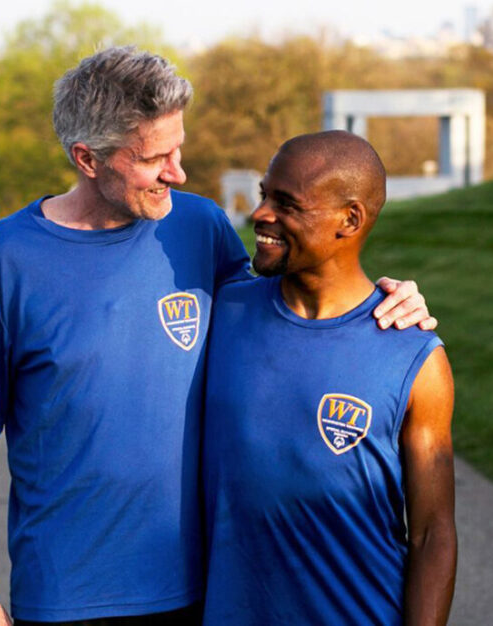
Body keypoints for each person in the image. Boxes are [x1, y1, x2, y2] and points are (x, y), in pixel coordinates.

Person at [0, 46, 435, 626]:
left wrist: (388, 300)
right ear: (87, 158)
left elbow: (279, 310)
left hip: (203, 591)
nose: (178, 173)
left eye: (178, 149)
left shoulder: (200, 226)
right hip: (65, 595)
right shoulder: (5, 257)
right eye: (157, 158)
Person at [202, 131, 456, 625]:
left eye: (286, 203)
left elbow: (433, 534)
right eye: (263, 195)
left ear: (351, 219)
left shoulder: (412, 354)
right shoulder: (222, 311)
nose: (260, 215)